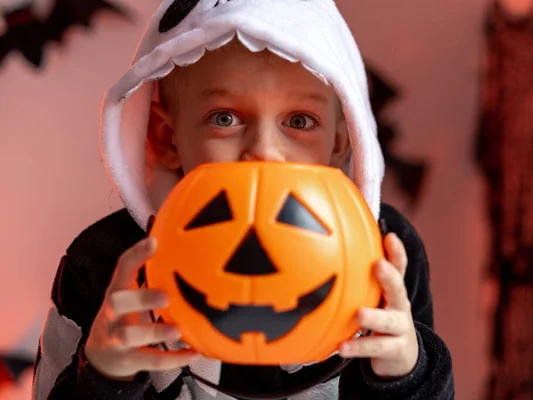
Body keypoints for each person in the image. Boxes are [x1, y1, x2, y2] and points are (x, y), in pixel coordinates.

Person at [32, 0, 454, 399]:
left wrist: (406, 373)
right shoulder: (102, 265)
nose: (265, 151)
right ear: (166, 138)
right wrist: (106, 375)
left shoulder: (385, 252)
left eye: (300, 121)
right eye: (225, 118)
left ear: (341, 141)